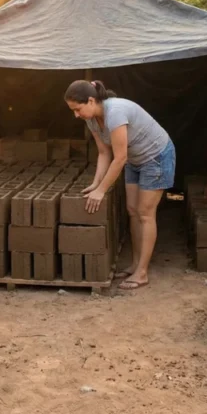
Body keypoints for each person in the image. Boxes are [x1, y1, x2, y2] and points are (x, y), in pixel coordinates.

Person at [64, 80, 175, 290]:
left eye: (77, 109)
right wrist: (96, 184)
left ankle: (142, 273)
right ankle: (135, 264)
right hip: (134, 159)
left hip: (156, 156)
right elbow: (105, 152)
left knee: (145, 213)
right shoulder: (92, 120)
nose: (76, 115)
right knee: (132, 210)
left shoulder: (115, 112)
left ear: (90, 100)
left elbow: (119, 157)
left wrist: (102, 191)